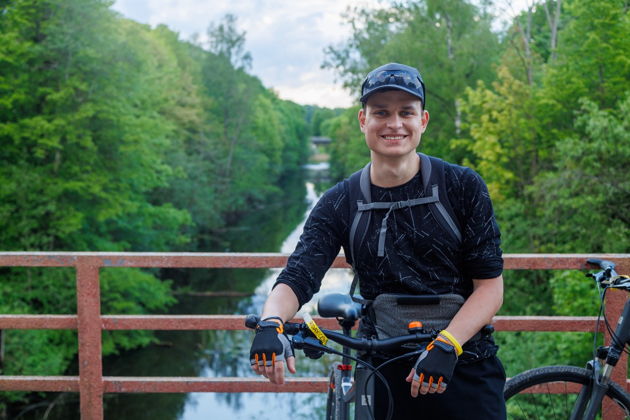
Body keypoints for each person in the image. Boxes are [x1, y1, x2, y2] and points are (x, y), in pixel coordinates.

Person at [249, 62, 506, 419]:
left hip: (463, 362)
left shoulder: (462, 187)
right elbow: (298, 275)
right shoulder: (341, 201)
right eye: (381, 112)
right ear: (363, 120)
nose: (394, 123)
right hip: (384, 368)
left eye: (406, 112)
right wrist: (270, 322)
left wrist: (447, 344)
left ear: (423, 120)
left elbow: (490, 288)